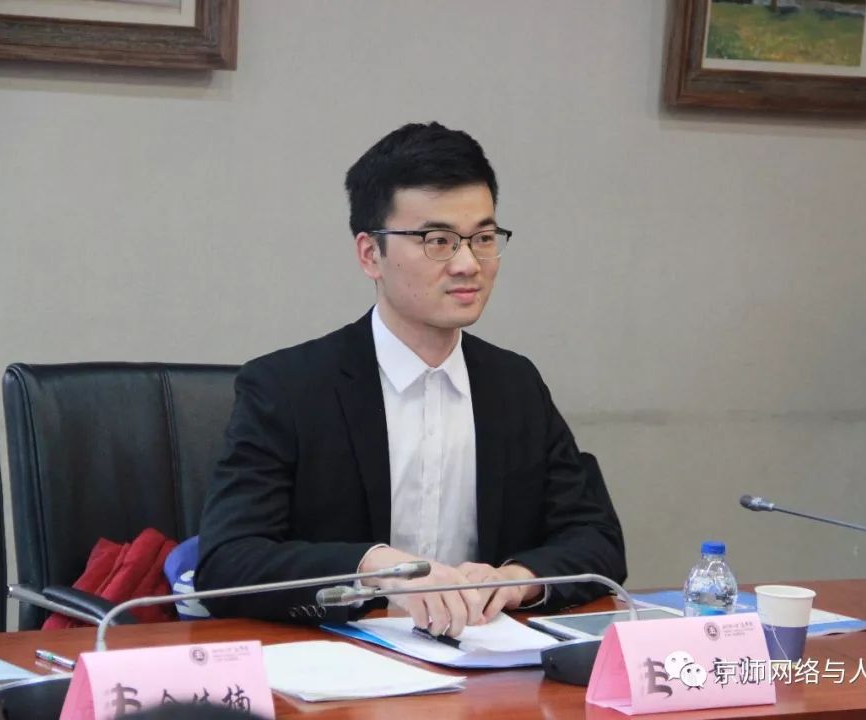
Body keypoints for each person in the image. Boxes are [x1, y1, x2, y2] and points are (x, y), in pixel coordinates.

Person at [196, 122, 626, 638]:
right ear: (370, 254)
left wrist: (517, 580)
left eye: (483, 239)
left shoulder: (515, 385)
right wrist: (375, 569)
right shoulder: (286, 388)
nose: (468, 264)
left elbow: (596, 538)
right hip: (338, 661)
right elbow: (228, 561)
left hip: (485, 658)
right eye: (437, 241)